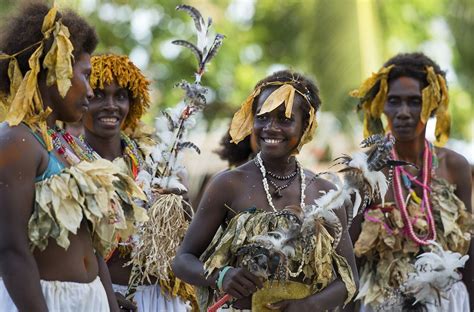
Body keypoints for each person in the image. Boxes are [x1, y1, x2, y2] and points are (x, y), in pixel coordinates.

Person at [173, 70, 359, 311]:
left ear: (306, 126)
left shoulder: (326, 193)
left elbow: (348, 280)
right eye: (262, 117)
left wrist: (310, 305)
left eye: (285, 119)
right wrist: (221, 276)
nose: (270, 127)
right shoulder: (228, 184)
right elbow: (183, 260)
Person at [0, 2, 129, 311]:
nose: (90, 91)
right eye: (85, 75)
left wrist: (108, 304)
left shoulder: (67, 143)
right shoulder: (15, 142)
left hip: (90, 299)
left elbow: (94, 245)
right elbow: (11, 250)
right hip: (43, 300)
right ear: (55, 70)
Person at [350, 52, 473, 311]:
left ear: (432, 105)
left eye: (415, 102)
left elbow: (469, 248)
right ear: (382, 106)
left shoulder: (455, 166)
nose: (403, 112)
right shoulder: (366, 170)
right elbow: (351, 258)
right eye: (394, 101)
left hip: (448, 302)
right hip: (383, 301)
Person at [80, 54, 197, 311]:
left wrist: (181, 210)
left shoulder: (154, 157)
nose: (111, 105)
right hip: (101, 298)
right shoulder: (69, 161)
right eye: (99, 95)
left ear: (132, 103)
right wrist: (105, 297)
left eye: (120, 96)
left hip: (162, 298)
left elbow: (187, 239)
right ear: (82, 97)